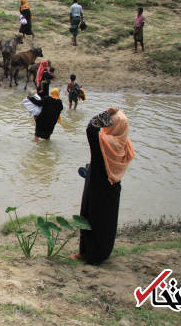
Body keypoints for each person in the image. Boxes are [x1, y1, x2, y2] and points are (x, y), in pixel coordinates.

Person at [70, 108, 135, 265]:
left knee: (90, 218)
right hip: (112, 188)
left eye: (111, 122)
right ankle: (101, 254)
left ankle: (87, 254)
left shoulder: (104, 143)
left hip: (96, 186)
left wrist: (106, 112)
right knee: (107, 222)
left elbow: (91, 127)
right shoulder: (124, 144)